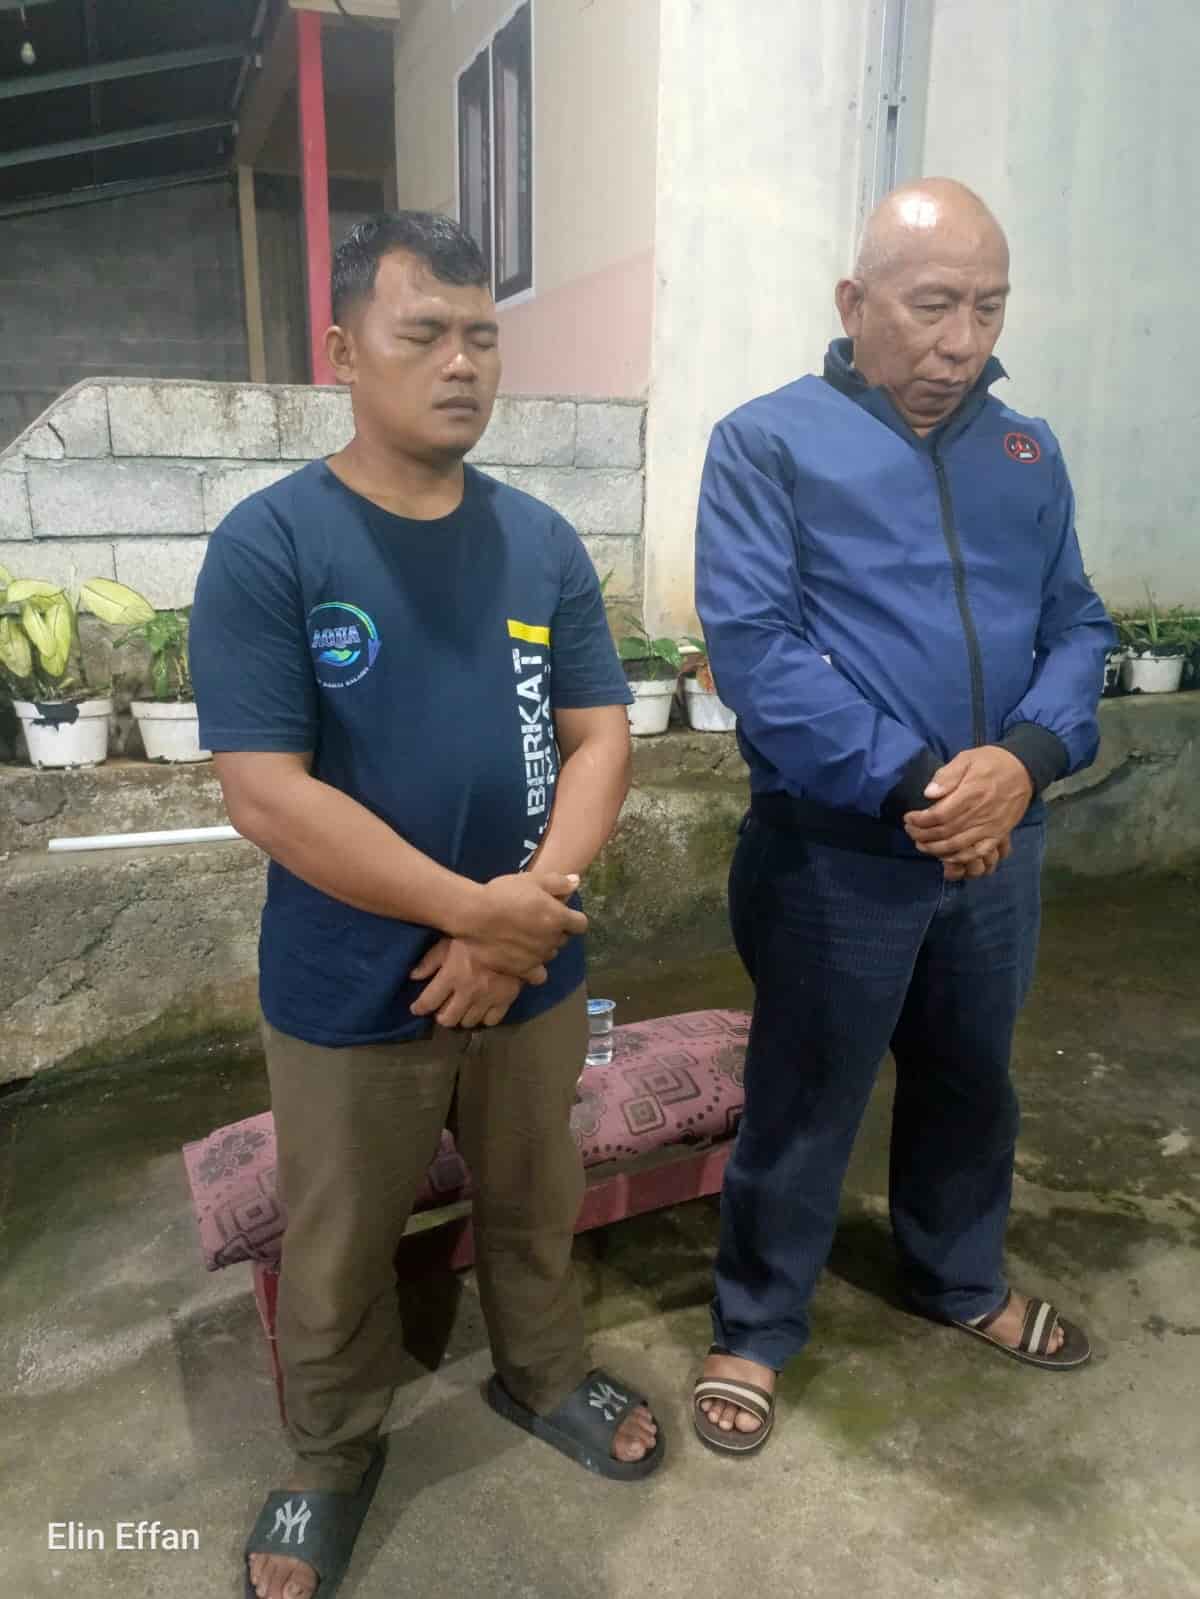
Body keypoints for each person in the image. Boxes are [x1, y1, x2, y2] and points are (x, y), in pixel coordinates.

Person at [190, 211, 661, 1599]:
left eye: (483, 335)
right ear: (343, 352)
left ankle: (543, 1372)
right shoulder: (273, 545)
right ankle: (330, 1453)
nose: (463, 363)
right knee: (339, 1240)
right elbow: (266, 793)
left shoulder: (539, 543)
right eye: (425, 334)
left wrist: (528, 912)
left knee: (534, 1195)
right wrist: (477, 911)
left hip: (533, 961)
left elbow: (600, 737)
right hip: (350, 982)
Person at [691, 179, 1115, 1455]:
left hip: (1001, 847)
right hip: (840, 849)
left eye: (988, 308)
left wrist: (1024, 765)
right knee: (806, 1093)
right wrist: (932, 789)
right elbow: (757, 650)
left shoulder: (1025, 452)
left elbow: (1078, 625)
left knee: (971, 1078)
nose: (961, 342)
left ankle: (959, 1276)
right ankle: (756, 1324)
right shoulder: (768, 443)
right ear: (853, 301)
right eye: (933, 306)